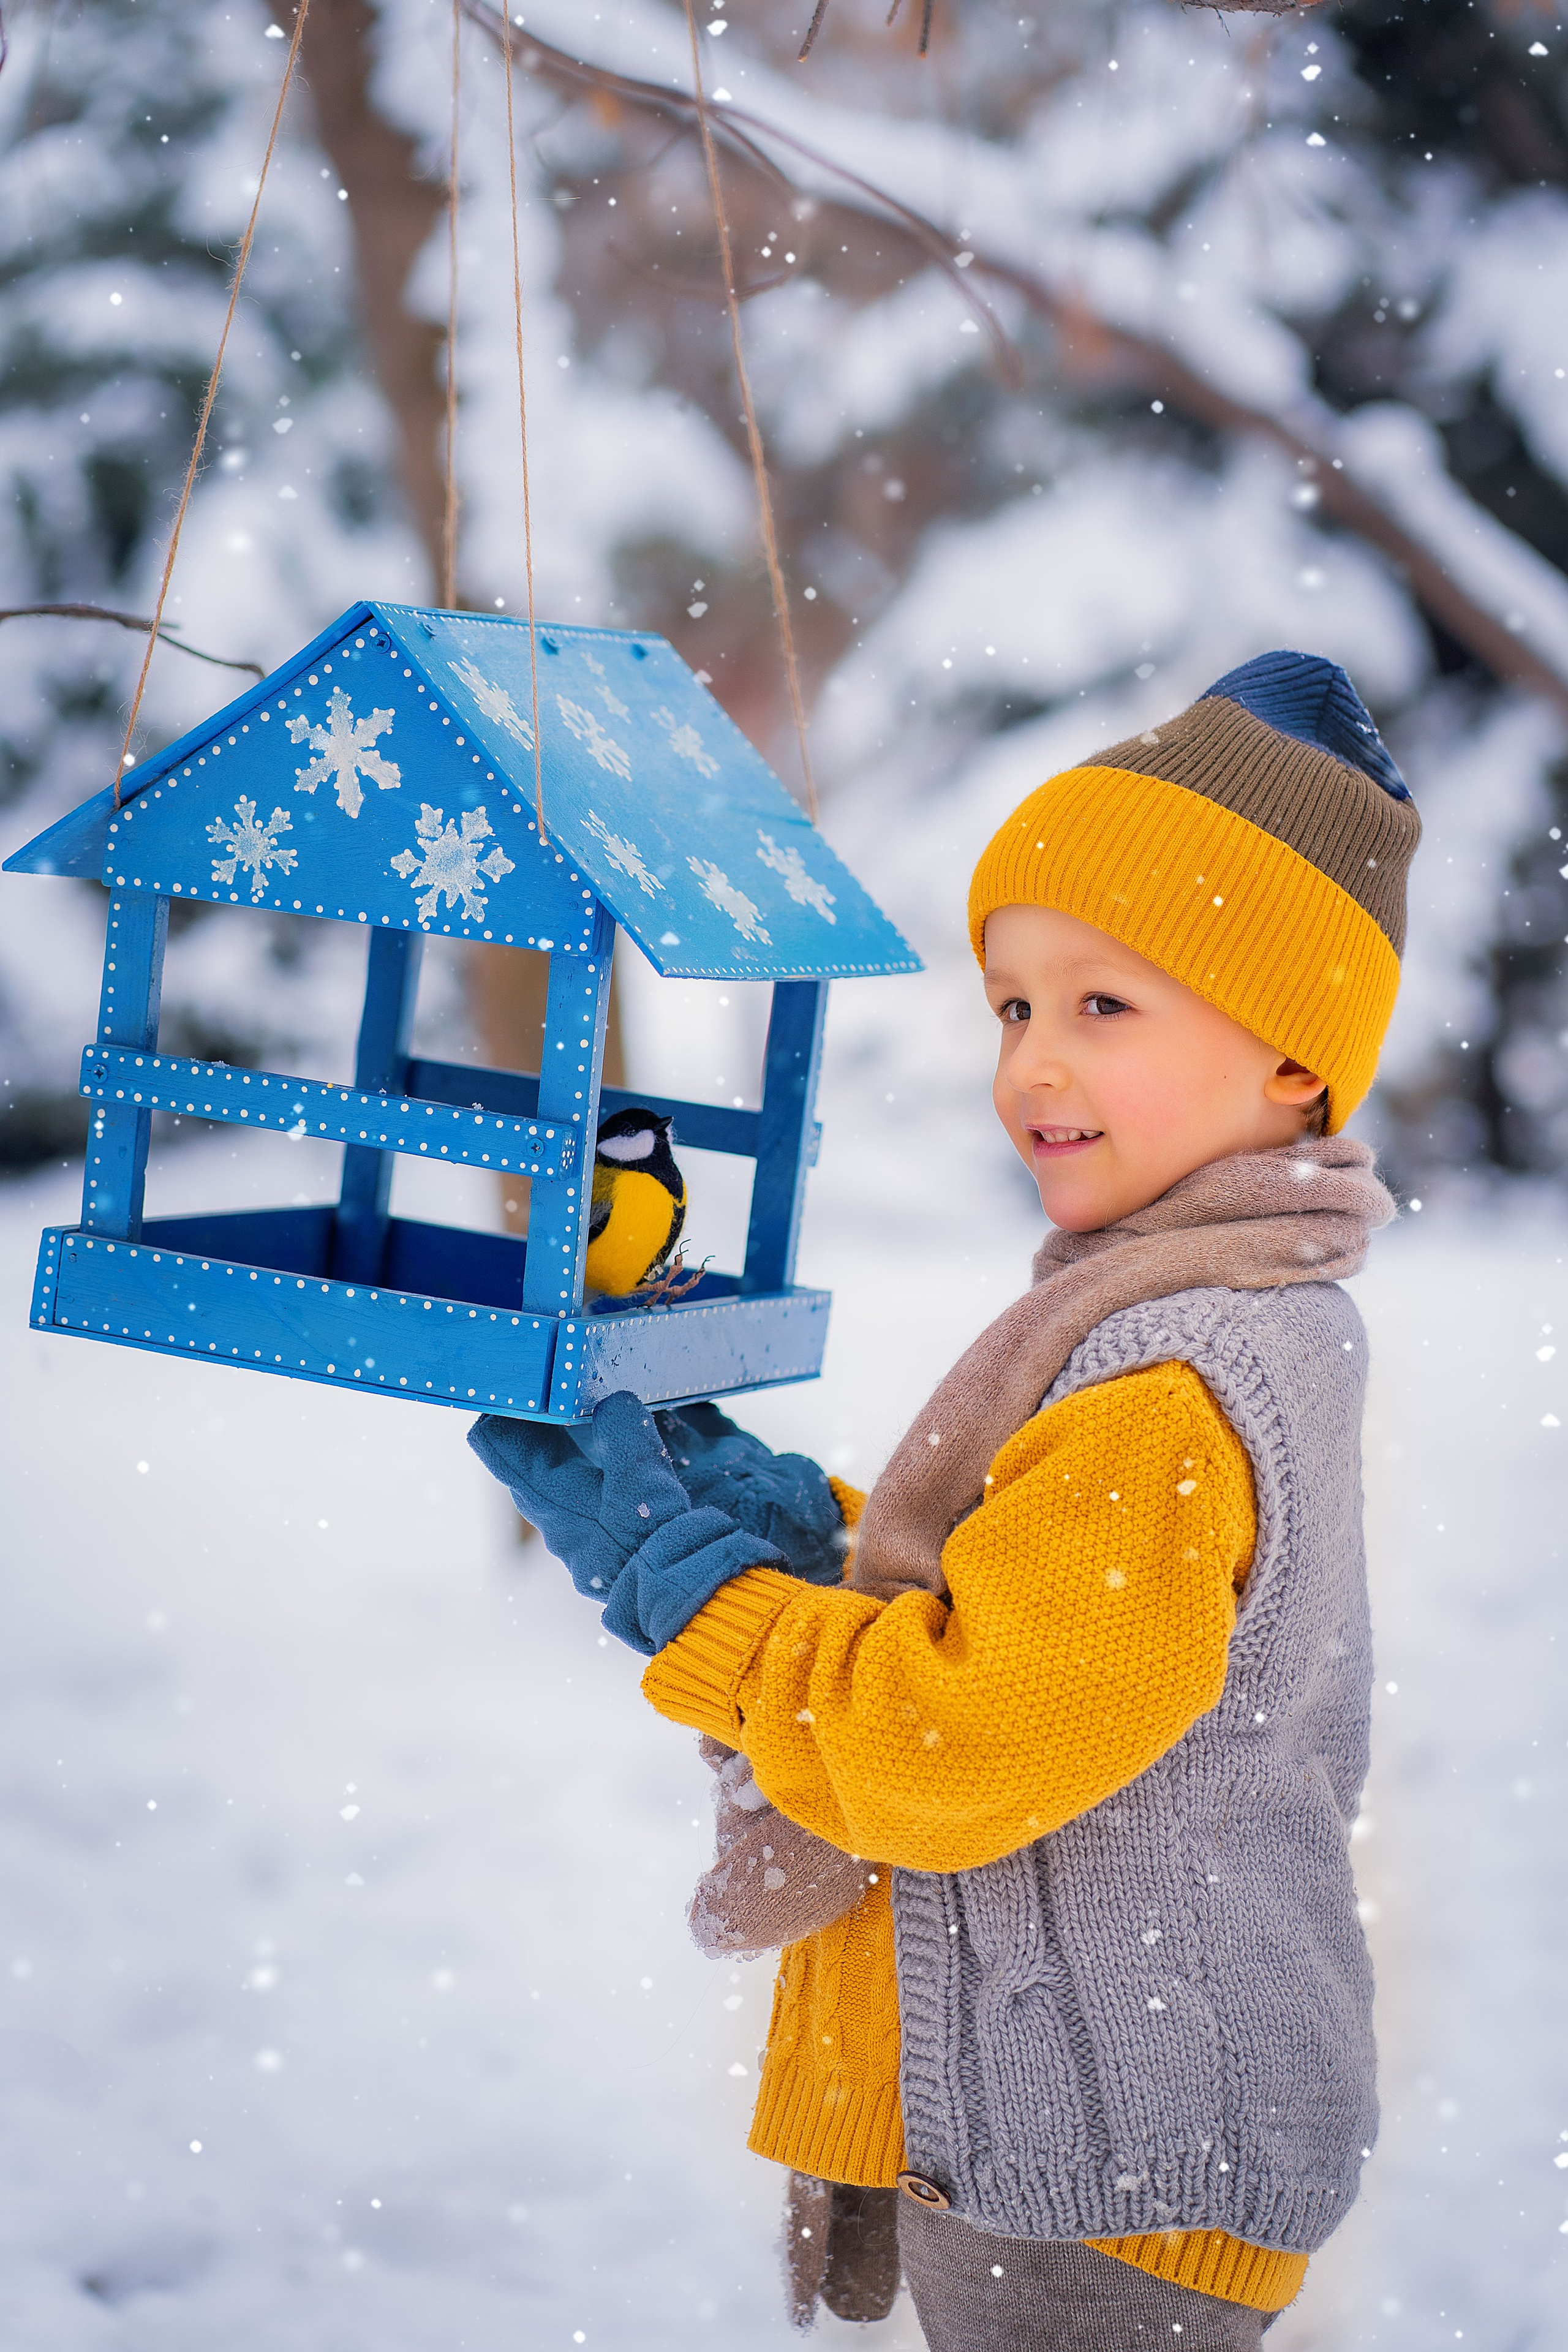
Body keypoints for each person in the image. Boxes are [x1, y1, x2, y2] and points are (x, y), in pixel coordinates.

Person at [470, 649, 1419, 2350]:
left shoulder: (1166, 1381)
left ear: (1296, 1061)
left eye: (1104, 1006)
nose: (1032, 1066)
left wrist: (710, 1602)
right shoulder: (1202, 1314)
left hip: (1112, 2165)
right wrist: (792, 1535)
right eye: (1014, 1007)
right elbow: (1040, 1614)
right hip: (1121, 2117)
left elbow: (951, 1748)